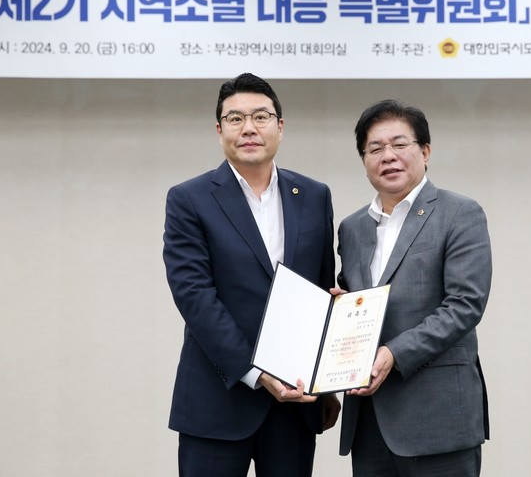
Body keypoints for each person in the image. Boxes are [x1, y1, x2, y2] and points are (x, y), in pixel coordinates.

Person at [162, 73, 340, 477]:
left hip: (295, 403)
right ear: (219, 129)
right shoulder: (189, 199)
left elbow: (321, 289)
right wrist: (257, 373)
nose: (249, 128)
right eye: (235, 118)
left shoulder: (314, 196)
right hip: (217, 401)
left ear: (280, 126)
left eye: (261, 117)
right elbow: (194, 296)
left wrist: (326, 381)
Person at [336, 99, 493, 477]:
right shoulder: (352, 229)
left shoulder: (459, 213)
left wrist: (394, 352)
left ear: (425, 151)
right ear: (364, 160)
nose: (387, 156)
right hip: (370, 421)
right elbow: (355, 305)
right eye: (375, 148)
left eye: (399, 144)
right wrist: (335, 311)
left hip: (438, 418)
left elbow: (465, 304)